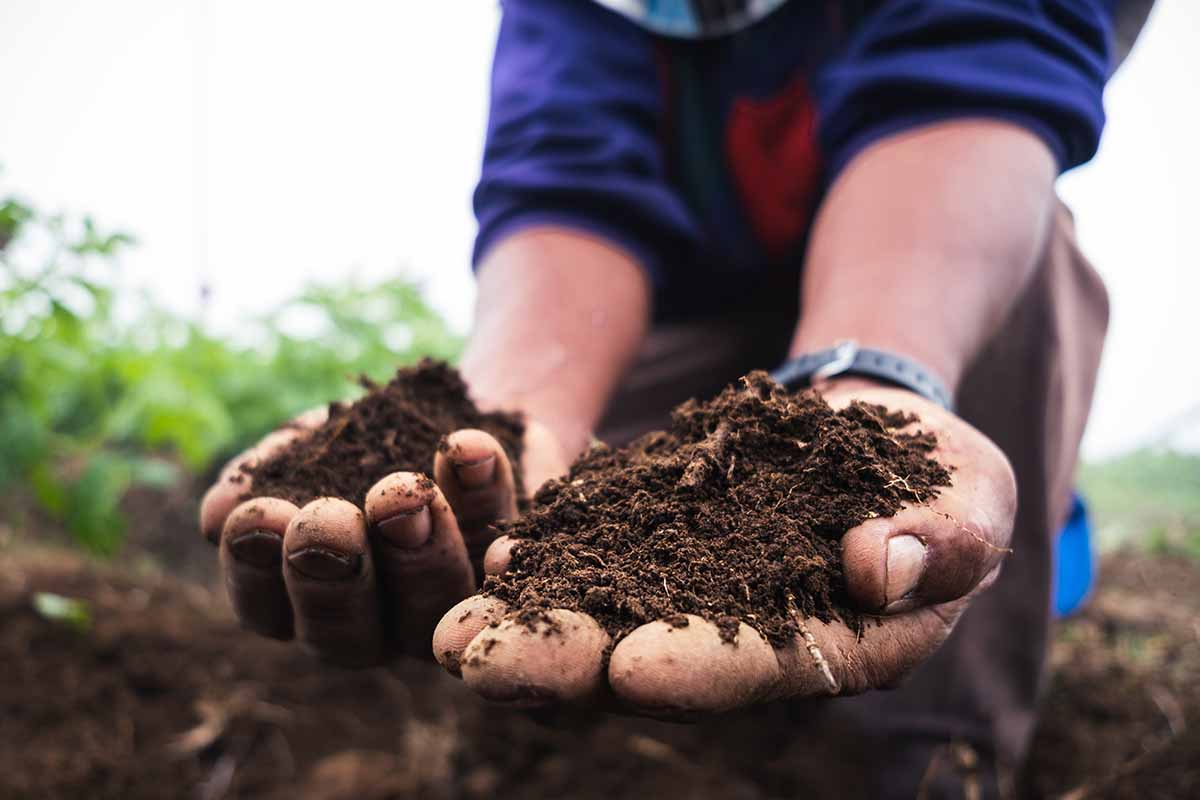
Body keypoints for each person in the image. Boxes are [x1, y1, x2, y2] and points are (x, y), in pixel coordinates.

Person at [200, 1, 1153, 795]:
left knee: (1010, 313)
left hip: (930, 259)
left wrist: (874, 379)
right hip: (678, 309)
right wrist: (513, 401)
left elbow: (974, 74)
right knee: (539, 542)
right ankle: (598, 757)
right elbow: (569, 178)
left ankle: (930, 758)